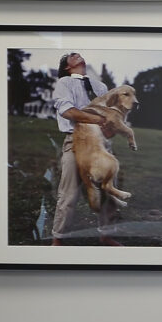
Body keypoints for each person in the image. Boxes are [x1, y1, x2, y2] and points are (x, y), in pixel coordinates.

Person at [45, 52, 94, 245]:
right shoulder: (64, 83)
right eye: (74, 55)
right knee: (69, 192)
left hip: (98, 142)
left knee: (108, 190)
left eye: (80, 54)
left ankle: (107, 234)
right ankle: (58, 239)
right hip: (75, 141)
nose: (79, 55)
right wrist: (98, 119)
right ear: (67, 66)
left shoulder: (96, 85)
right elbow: (68, 111)